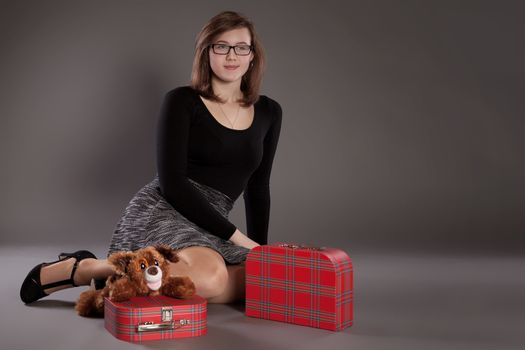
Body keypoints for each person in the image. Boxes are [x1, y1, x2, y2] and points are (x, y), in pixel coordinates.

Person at [20, 10, 282, 305]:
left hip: (211, 221)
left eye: (241, 47)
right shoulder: (182, 101)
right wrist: (238, 238)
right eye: (221, 46)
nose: (231, 56)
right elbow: (173, 184)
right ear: (206, 53)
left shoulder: (269, 112)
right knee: (212, 279)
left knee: (253, 282)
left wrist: (262, 253)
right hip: (165, 210)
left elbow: (259, 188)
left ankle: (126, 273)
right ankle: (86, 269)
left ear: (252, 56)